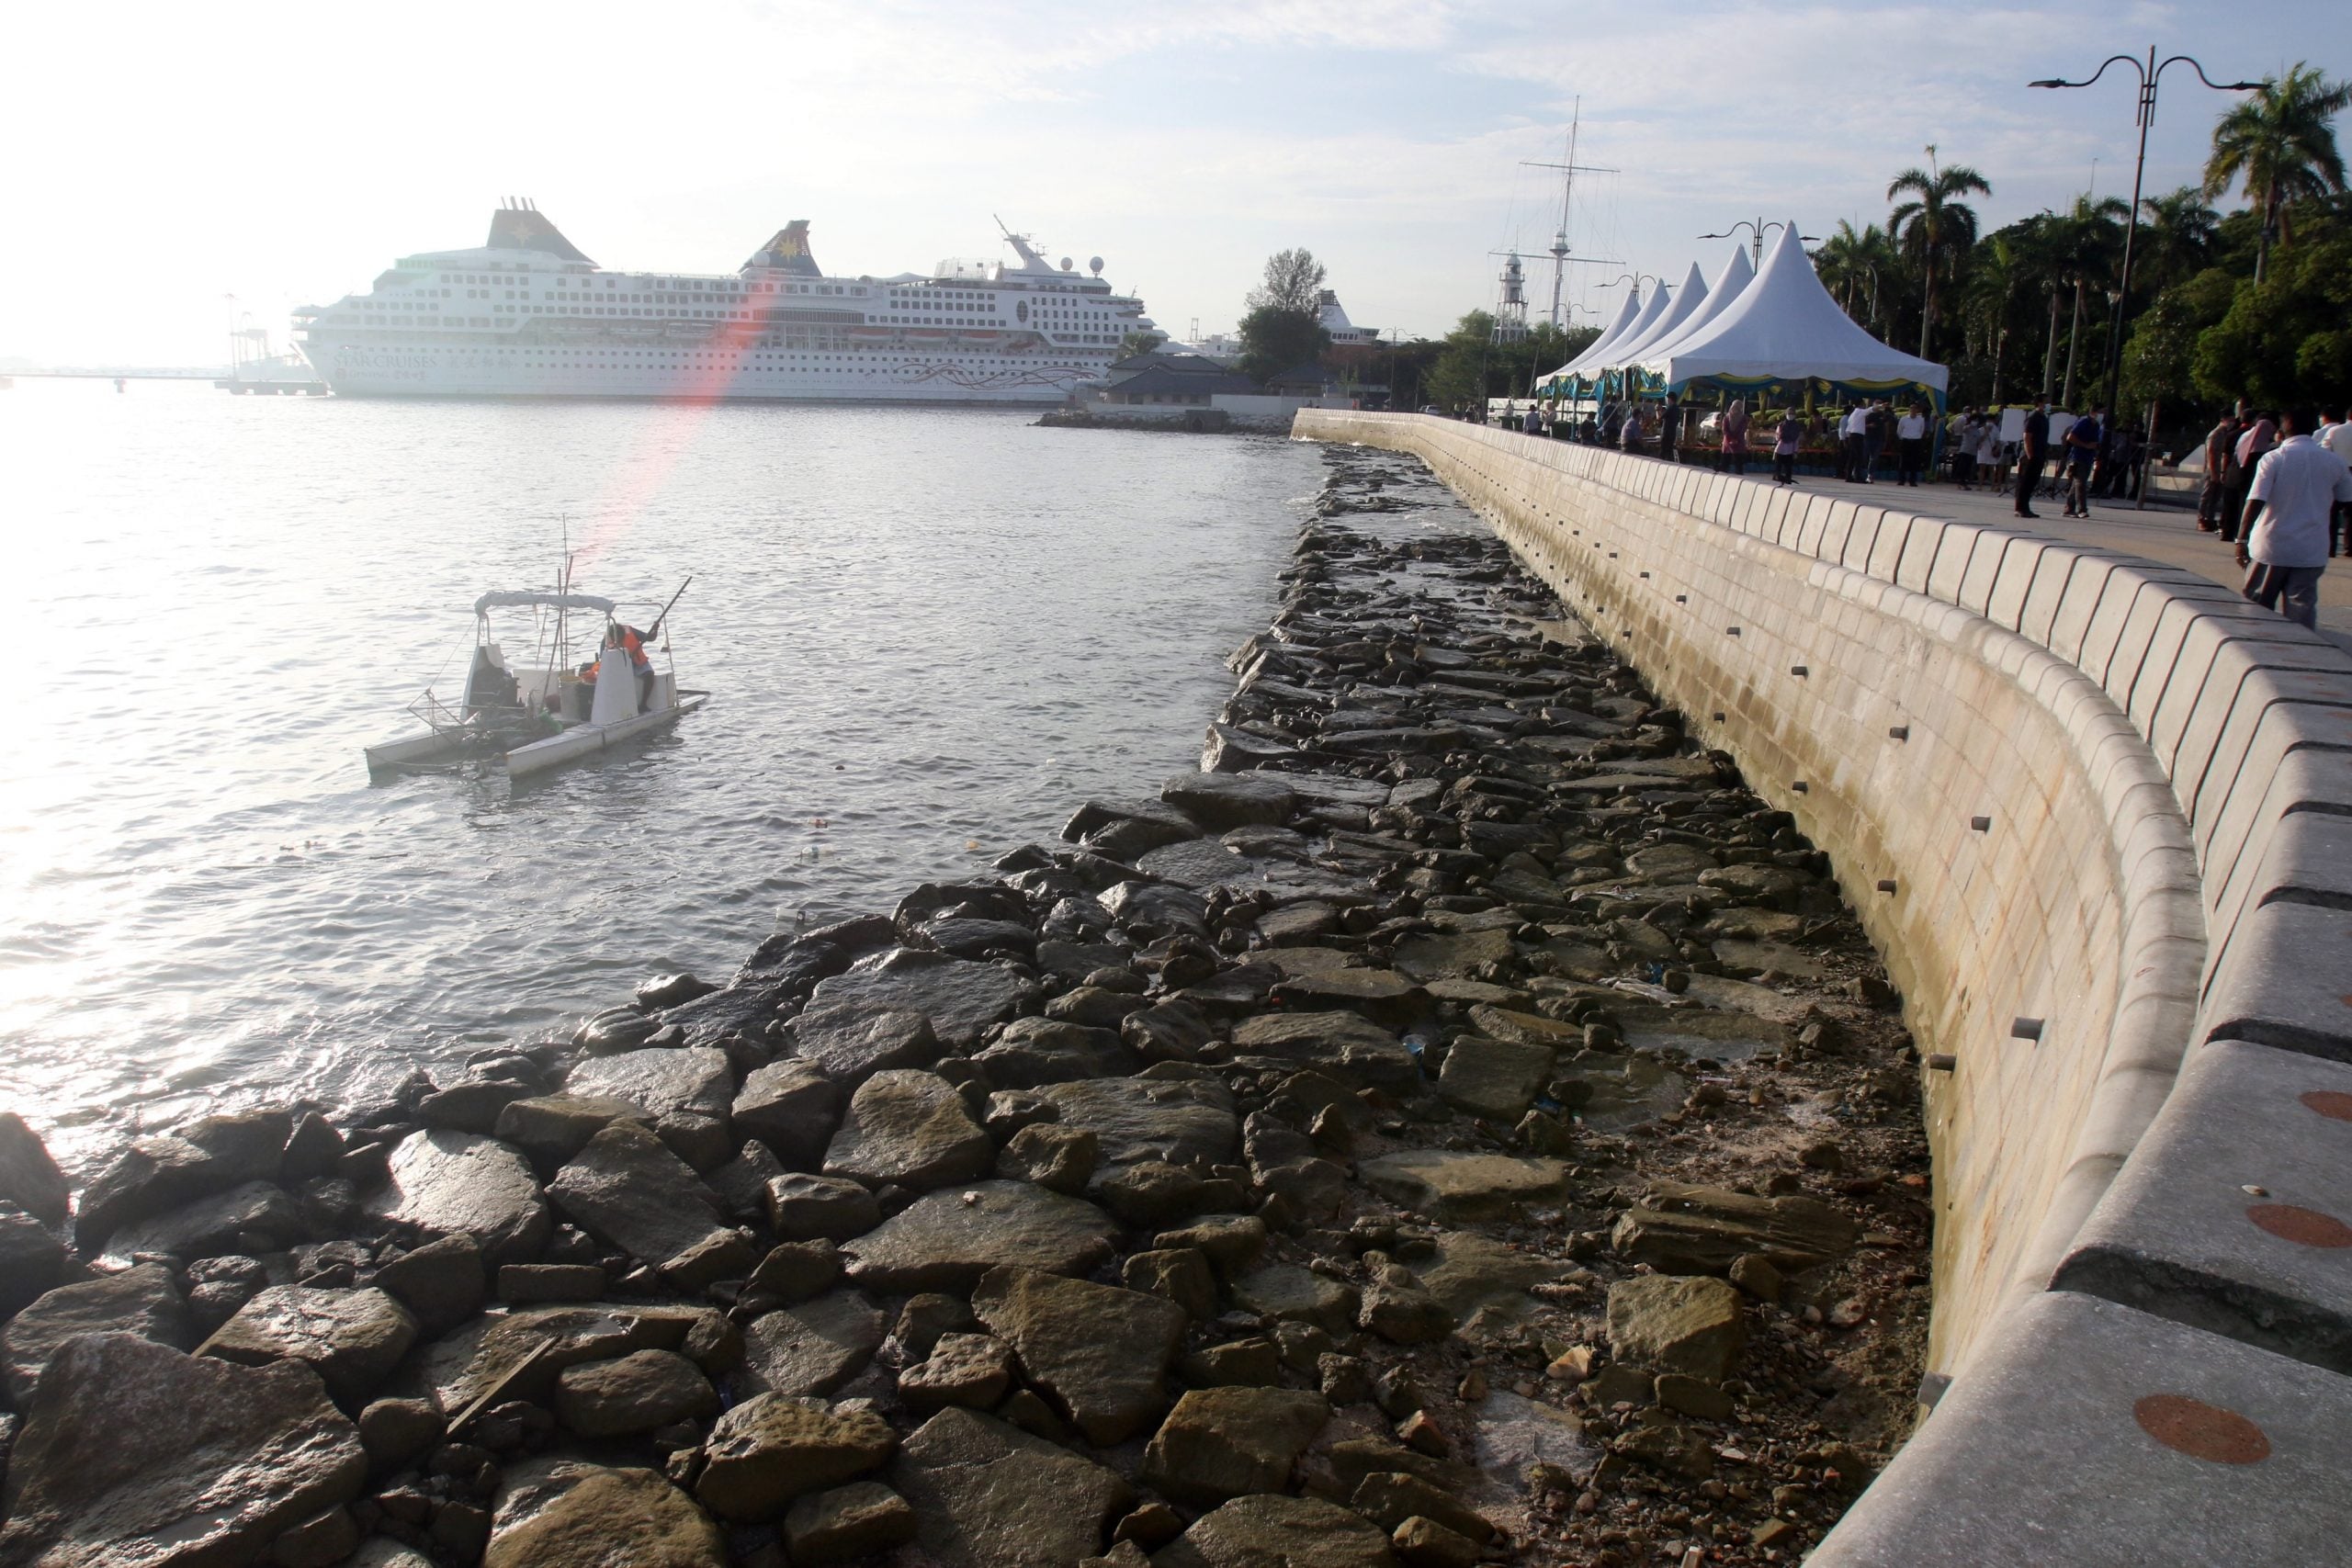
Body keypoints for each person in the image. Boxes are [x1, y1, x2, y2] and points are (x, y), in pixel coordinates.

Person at [2236, 407, 2352, 630]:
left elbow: (2255, 501)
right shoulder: (2333, 462)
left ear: (2281, 430)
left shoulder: (2274, 458)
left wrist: (2241, 539)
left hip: (2271, 547)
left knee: (2256, 610)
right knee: (2301, 613)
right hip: (2311, 550)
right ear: (2313, 429)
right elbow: (2347, 500)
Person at [2224, 410, 2277, 544]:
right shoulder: (2262, 440)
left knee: (2232, 505)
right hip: (2245, 476)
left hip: (2233, 473)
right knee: (2243, 506)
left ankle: (2228, 532)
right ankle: (2241, 534)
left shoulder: (2246, 435)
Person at [2199, 405, 2245, 533]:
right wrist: (2214, 472)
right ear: (2224, 419)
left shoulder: (2226, 433)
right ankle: (2202, 519)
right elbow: (2211, 453)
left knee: (2216, 497)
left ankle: (2210, 519)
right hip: (2212, 469)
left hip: (2221, 469)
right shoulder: (2216, 433)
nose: (2232, 422)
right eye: (2230, 419)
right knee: (2207, 495)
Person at [2316, 403, 2351, 556]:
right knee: (2351, 514)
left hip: (2337, 472)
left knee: (2331, 511)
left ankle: (2329, 547)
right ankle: (2350, 548)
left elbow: (2324, 452)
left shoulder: (2335, 431)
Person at [2062, 406, 2104, 517]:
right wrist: (2085, 445)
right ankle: (2082, 509)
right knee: (2081, 483)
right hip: (2078, 456)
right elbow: (2070, 437)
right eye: (2101, 412)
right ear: (2094, 412)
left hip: (2089, 457)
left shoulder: (2097, 425)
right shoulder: (2083, 422)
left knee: (2077, 483)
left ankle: (2069, 508)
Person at [2015, 395, 2051, 518]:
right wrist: (2030, 455)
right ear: (2039, 403)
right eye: (2046, 402)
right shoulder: (2033, 418)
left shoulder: (2044, 418)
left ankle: (2026, 507)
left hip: (2040, 454)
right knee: (2025, 482)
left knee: (2032, 483)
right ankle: (2020, 508)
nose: (2048, 404)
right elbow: (2027, 437)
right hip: (2031, 455)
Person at [1894, 402, 1928, 486]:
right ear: (1909, 410)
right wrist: (1902, 438)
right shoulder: (1904, 419)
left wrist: (1917, 437)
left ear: (1917, 410)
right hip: (1906, 441)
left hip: (1916, 441)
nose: (1913, 410)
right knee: (1903, 462)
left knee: (1915, 462)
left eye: (1915, 408)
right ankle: (1901, 480)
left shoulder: (1921, 419)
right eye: (1912, 408)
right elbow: (1899, 431)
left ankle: (1912, 481)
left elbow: (1921, 430)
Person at [1773, 409, 1804, 484]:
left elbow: (1796, 440)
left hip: (1790, 450)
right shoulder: (1781, 425)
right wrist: (1780, 435)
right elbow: (1777, 437)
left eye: (1792, 413)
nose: (1790, 415)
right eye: (1789, 413)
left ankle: (1787, 479)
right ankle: (1778, 477)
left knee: (1788, 468)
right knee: (1778, 467)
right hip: (1780, 449)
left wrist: (1795, 451)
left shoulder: (1796, 427)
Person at [1951, 411, 1980, 490]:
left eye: (1977, 420)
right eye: (1974, 420)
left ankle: (1964, 482)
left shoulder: (1977, 430)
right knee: (1962, 467)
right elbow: (1964, 430)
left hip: (1973, 451)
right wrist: (1970, 424)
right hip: (1965, 450)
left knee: (1968, 468)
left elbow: (1978, 440)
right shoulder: (1967, 427)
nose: (1976, 422)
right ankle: (1960, 482)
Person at [1841, 403, 1870, 482]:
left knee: (1852, 458)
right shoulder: (1859, 411)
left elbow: (1848, 429)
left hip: (1852, 436)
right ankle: (1858, 476)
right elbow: (1870, 410)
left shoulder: (1852, 415)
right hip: (1858, 437)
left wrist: (1848, 438)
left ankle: (1849, 476)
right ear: (1861, 405)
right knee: (1859, 458)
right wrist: (1880, 406)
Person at [1722, 398, 1749, 475]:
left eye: (1737, 408)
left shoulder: (1743, 418)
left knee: (1738, 461)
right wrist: (1730, 438)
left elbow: (1742, 429)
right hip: (1728, 442)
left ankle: (1739, 475)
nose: (1735, 409)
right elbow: (1724, 430)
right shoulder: (1726, 418)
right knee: (1726, 460)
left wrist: (1735, 439)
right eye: (1734, 407)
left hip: (1738, 442)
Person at [1659, 394, 1682, 463]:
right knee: (1669, 451)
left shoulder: (1670, 408)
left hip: (1666, 433)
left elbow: (1660, 417)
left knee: (1663, 451)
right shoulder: (1677, 409)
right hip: (1672, 433)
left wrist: (1658, 409)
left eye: (1667, 399)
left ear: (1670, 399)